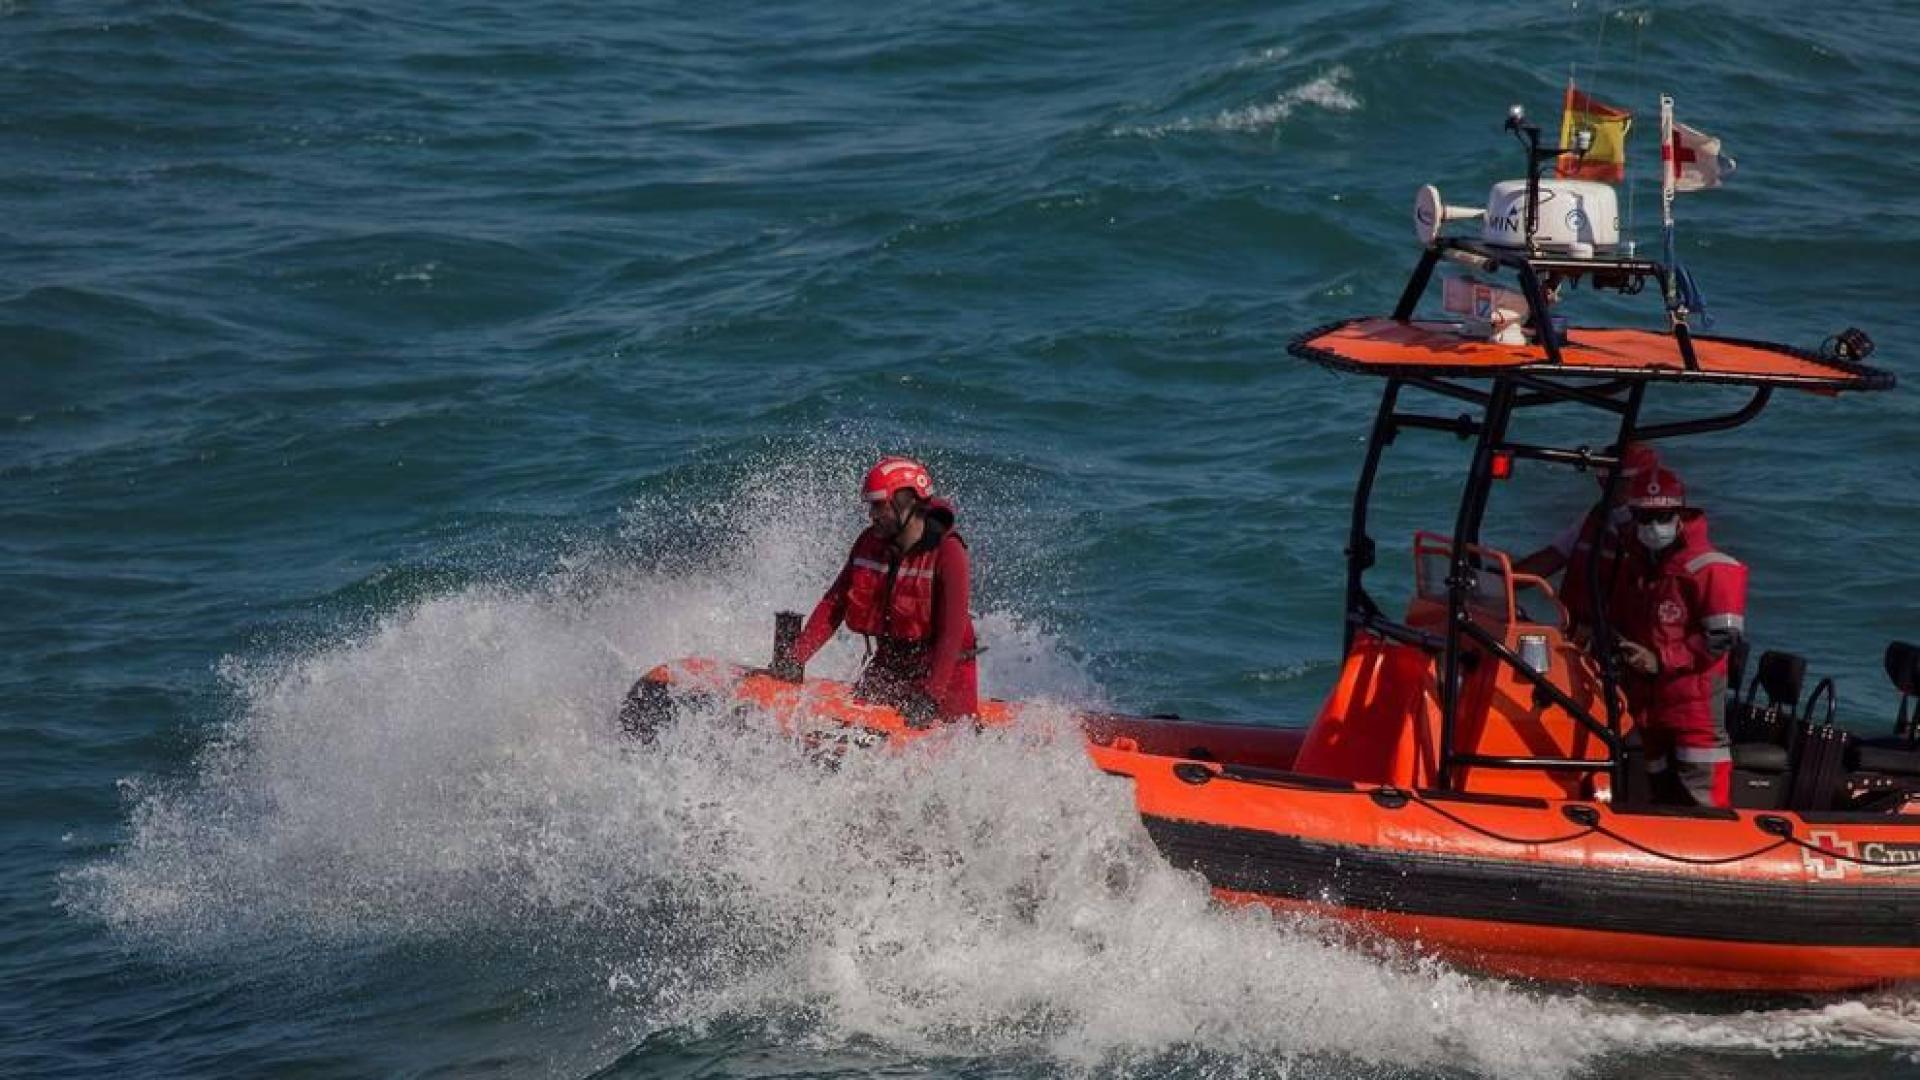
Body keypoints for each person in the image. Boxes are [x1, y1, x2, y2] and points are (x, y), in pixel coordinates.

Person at [785, 456, 979, 726]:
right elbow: (835, 604)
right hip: (890, 664)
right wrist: (795, 658)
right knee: (855, 731)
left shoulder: (949, 552)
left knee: (941, 737)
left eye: (879, 505)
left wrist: (931, 697)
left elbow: (952, 634)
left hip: (945, 673)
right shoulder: (868, 543)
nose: (871, 515)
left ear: (907, 503)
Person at [1611, 467, 1747, 808]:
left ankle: (1715, 848)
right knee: (1658, 787)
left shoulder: (1711, 567)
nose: (1652, 526)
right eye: (1644, 517)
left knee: (1701, 789)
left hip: (1693, 700)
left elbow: (1722, 637)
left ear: (1680, 514)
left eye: (1662, 516)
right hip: (1648, 702)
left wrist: (1660, 660)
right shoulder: (1638, 567)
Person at [1515, 441, 1662, 634]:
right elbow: (1550, 558)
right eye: (1603, 480)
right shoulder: (1594, 519)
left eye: (1618, 482)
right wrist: (1501, 581)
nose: (1608, 489)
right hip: (1580, 633)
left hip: (1625, 643)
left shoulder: (1658, 534)